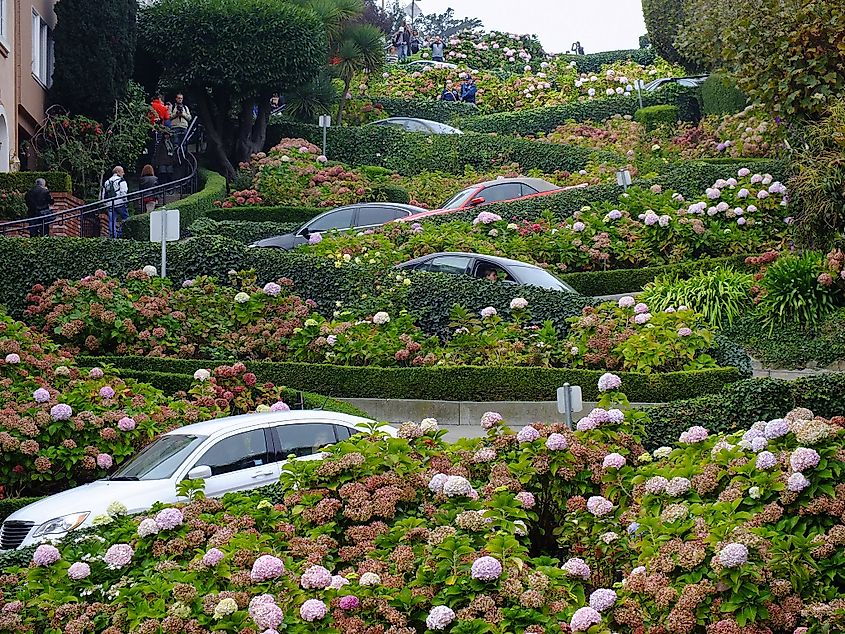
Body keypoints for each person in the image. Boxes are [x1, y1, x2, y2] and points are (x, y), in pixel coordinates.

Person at [102, 166, 129, 238]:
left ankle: (113, 236)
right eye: (122, 171)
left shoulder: (107, 182)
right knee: (126, 218)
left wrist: (105, 203)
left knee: (112, 221)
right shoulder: (121, 180)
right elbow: (123, 192)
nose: (123, 173)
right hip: (119, 203)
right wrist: (125, 201)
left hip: (110, 204)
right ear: (117, 172)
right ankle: (121, 233)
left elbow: (104, 194)